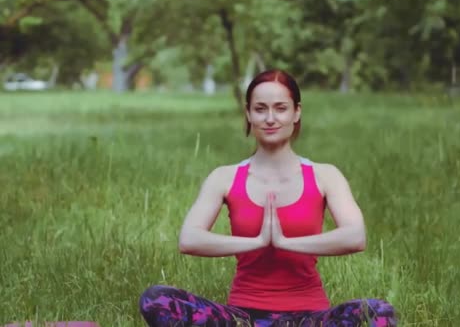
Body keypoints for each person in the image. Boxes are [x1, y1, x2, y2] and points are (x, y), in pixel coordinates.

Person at [139, 69, 397, 326]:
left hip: (309, 318)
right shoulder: (225, 177)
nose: (270, 118)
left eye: (281, 108)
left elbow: (356, 236)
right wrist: (258, 241)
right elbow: (189, 239)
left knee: (378, 311)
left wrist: (284, 242)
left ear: (296, 112)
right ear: (248, 114)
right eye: (260, 109)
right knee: (155, 299)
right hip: (243, 319)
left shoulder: (325, 175)